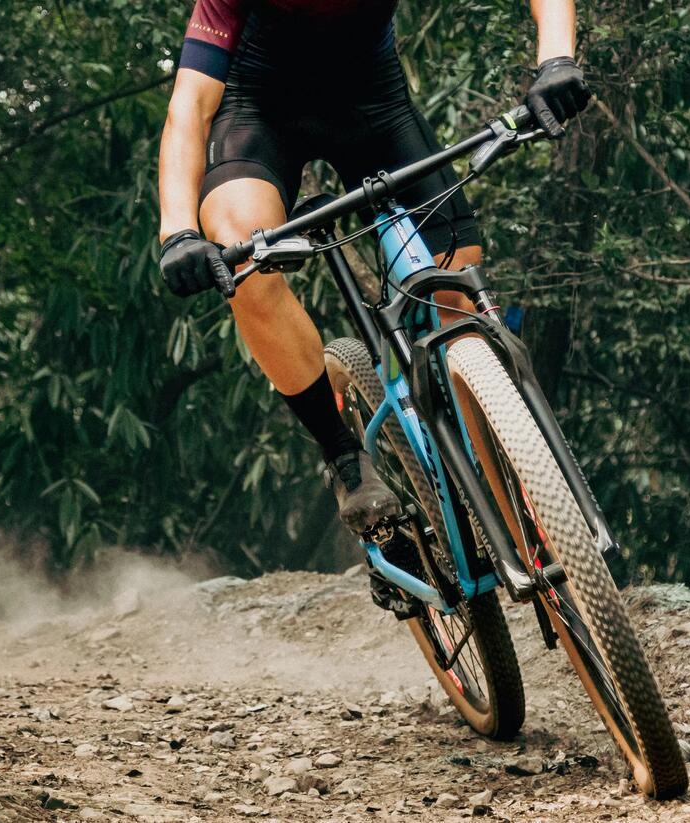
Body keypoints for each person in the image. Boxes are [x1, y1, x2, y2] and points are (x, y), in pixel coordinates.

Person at [154, 0, 591, 534]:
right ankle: (342, 455)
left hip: (373, 105)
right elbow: (190, 107)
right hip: (258, 113)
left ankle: (530, 520)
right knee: (244, 261)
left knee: (456, 297)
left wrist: (556, 60)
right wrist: (177, 230)